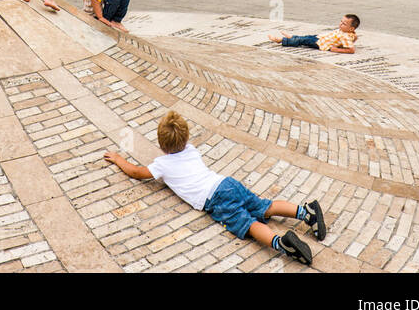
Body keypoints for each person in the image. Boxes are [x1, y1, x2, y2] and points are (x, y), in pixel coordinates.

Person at [104, 110, 324, 266]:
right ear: (186, 137)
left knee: (248, 223)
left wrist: (118, 159)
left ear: (162, 145)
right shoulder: (191, 150)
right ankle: (305, 212)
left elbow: (136, 172)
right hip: (227, 183)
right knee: (263, 205)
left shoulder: (162, 165)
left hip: (215, 199)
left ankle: (281, 243)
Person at [268, 13, 360, 54]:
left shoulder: (346, 36)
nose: (340, 24)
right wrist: (354, 38)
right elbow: (354, 38)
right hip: (321, 38)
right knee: (306, 37)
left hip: (321, 44)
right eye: (341, 21)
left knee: (303, 41)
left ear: (351, 28)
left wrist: (336, 49)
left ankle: (281, 40)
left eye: (344, 24)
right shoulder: (349, 33)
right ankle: (293, 37)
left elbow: (351, 50)